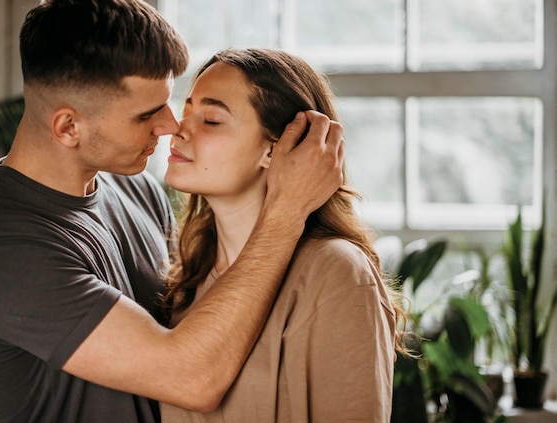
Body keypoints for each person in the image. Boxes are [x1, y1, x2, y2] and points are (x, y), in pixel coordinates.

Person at [0, 1, 343, 422]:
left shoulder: (133, 185)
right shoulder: (0, 246)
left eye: (168, 102)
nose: (171, 126)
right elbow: (192, 376)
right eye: (147, 114)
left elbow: (204, 327)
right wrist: (287, 208)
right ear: (68, 127)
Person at [157, 48, 408, 422]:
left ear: (277, 150)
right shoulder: (187, 279)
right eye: (187, 108)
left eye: (210, 119)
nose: (179, 128)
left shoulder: (335, 273)